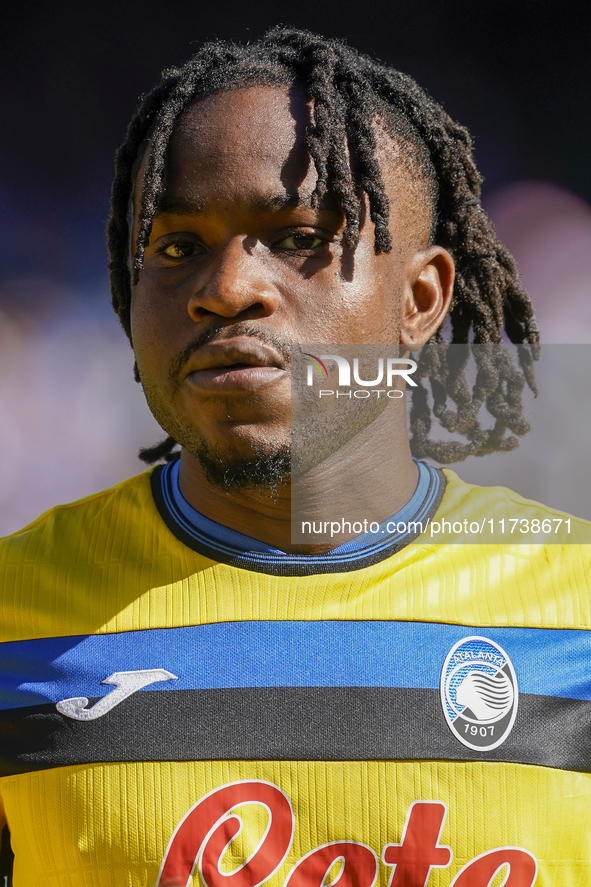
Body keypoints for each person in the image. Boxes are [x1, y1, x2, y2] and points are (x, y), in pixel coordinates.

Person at [1, 27, 590, 887]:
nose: (228, 287)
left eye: (298, 234)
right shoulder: (16, 615)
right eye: (175, 247)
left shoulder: (574, 611)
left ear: (420, 300)